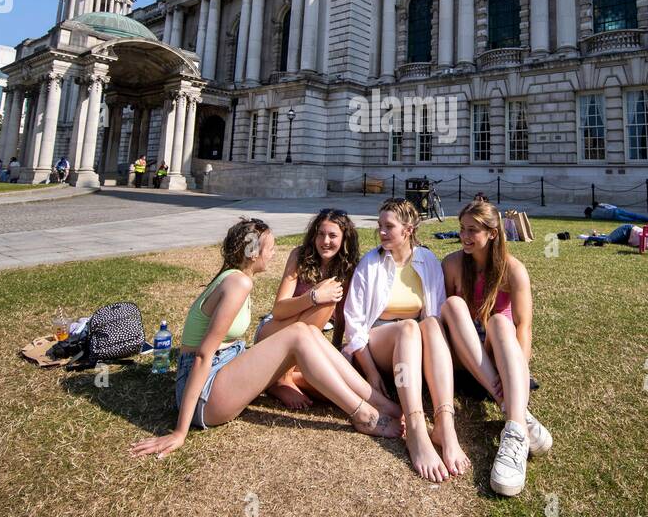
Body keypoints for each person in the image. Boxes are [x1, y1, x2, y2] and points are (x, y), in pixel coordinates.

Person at [129, 219, 401, 460]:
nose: (272, 253)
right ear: (252, 251)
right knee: (298, 334)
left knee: (307, 332)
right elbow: (202, 355)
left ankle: (380, 402)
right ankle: (362, 414)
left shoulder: (236, 278)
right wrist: (180, 431)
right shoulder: (238, 283)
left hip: (223, 370)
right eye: (269, 247)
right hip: (205, 396)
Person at [342, 198, 467, 482]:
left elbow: (434, 313)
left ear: (408, 230)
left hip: (415, 346)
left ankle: (445, 424)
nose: (381, 232)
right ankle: (415, 429)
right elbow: (355, 325)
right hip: (380, 343)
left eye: (389, 227)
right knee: (409, 327)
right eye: (380, 226)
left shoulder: (427, 260)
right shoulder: (370, 263)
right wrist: (372, 375)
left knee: (432, 324)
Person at [440, 200, 553, 497]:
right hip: (460, 355)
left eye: (472, 230)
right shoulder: (451, 264)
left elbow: (523, 328)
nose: (464, 236)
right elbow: (444, 321)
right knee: (452, 304)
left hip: (494, 352)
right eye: (462, 229)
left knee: (501, 324)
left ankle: (514, 428)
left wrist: (520, 373)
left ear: (492, 233)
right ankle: (510, 405)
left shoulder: (513, 270)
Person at [256, 208, 367, 411]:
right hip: (276, 331)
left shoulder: (349, 267)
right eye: (320, 234)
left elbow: (342, 317)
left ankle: (276, 381)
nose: (325, 241)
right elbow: (279, 309)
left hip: (311, 339)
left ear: (344, 239)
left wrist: (335, 350)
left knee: (340, 388)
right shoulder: (299, 256)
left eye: (333, 235)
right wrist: (314, 297)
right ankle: (283, 379)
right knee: (328, 299)